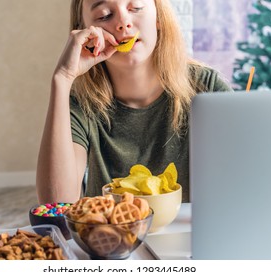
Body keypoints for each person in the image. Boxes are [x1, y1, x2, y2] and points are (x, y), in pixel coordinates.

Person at [36, 0, 232, 204]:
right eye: (104, 15)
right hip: (112, 235)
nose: (123, 23)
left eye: (136, 7)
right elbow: (57, 204)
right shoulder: (80, 104)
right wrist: (63, 78)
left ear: (158, 18)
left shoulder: (206, 87)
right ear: (83, 31)